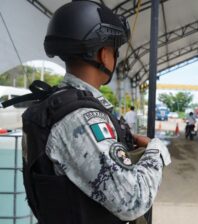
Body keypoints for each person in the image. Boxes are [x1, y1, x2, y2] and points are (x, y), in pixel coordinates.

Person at [21, 1, 171, 224]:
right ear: (104, 55)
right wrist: (156, 150)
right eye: (114, 51)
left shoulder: (58, 105)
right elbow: (133, 201)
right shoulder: (80, 118)